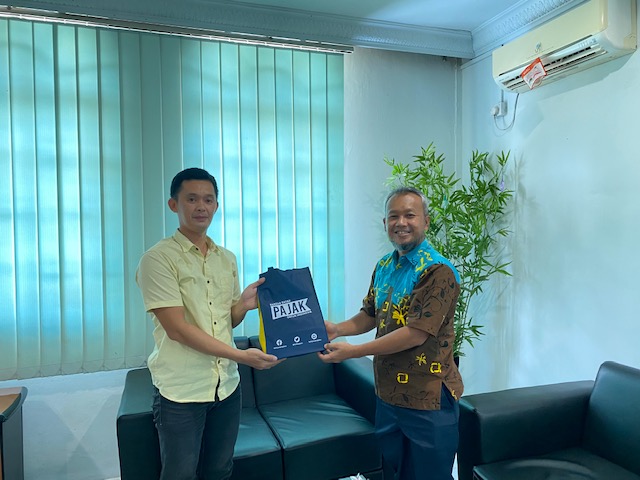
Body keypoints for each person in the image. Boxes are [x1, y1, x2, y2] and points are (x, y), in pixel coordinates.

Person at [136, 167, 281, 480]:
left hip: (227, 387)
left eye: (208, 199)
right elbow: (177, 329)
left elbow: (225, 321)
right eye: (191, 199)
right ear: (174, 204)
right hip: (182, 392)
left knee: (219, 470)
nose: (201, 206)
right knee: (179, 475)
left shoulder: (226, 258)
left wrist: (243, 305)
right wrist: (241, 356)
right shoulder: (157, 259)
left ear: (216, 205)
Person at [318, 186, 464, 480]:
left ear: (426, 221)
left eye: (410, 215)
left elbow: (416, 333)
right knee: (395, 472)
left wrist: (354, 351)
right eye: (394, 216)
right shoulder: (384, 265)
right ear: (385, 223)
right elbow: (371, 314)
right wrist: (338, 329)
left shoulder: (437, 271)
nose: (401, 223)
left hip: (428, 397)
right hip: (388, 394)